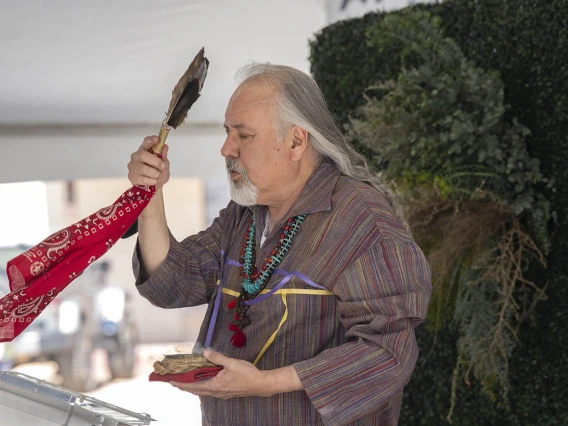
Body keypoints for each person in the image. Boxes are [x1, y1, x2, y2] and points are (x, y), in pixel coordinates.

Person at [127, 63, 431, 426]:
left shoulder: (362, 219)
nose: (226, 148)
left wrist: (266, 383)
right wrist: (150, 199)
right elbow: (174, 282)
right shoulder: (244, 214)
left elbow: (388, 355)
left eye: (244, 135)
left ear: (296, 141)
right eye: (227, 133)